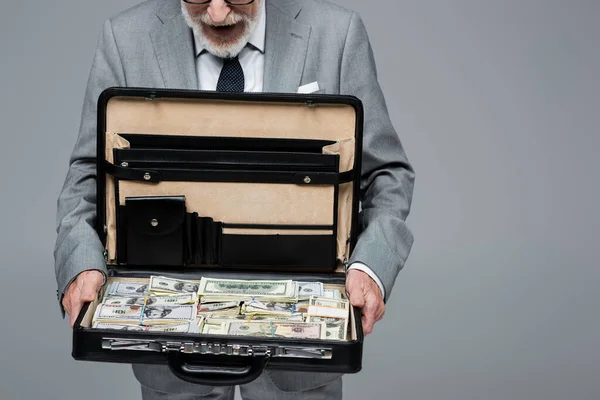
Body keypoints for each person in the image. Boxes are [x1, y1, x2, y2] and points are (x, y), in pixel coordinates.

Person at [54, 0, 414, 398]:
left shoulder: (339, 34)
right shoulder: (124, 38)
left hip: (300, 357)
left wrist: (371, 268)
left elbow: (386, 173)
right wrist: (81, 264)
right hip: (171, 344)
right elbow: (89, 172)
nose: (218, 13)